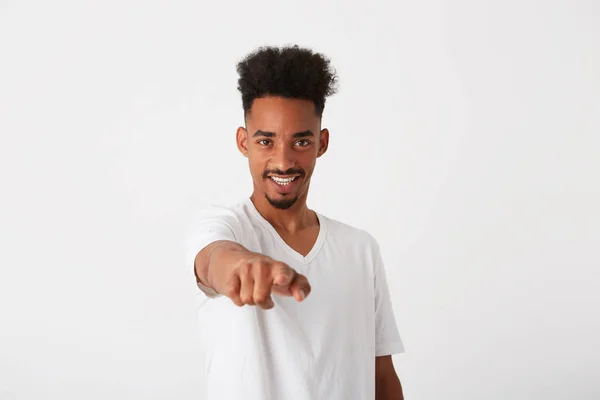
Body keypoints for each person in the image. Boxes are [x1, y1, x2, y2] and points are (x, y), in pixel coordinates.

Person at [184, 45, 405, 400]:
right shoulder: (223, 227)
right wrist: (242, 265)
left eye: (300, 141)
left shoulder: (360, 249)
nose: (283, 161)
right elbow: (213, 260)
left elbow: (381, 375)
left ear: (322, 143)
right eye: (266, 141)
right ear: (244, 143)